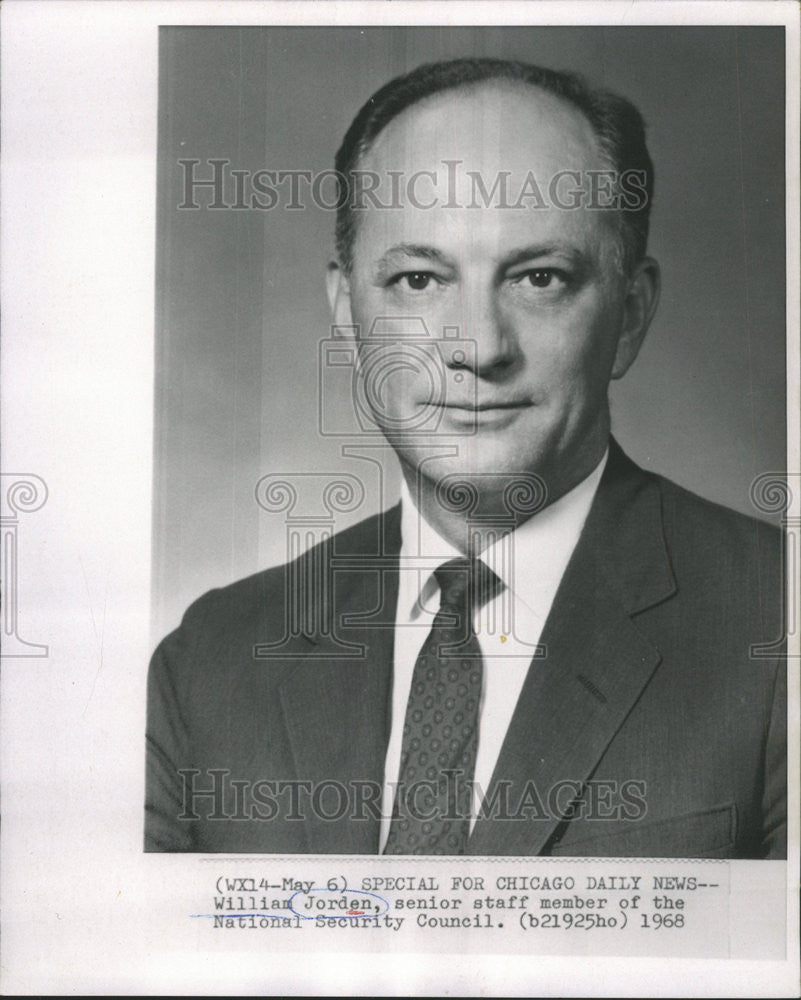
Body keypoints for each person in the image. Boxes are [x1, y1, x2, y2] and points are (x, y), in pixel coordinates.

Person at [145, 58, 786, 857]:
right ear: (348, 315)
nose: (476, 347)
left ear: (628, 314)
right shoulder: (210, 661)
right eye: (418, 279)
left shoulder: (774, 630)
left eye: (539, 278)